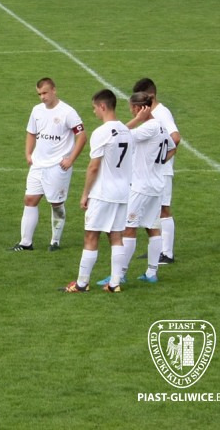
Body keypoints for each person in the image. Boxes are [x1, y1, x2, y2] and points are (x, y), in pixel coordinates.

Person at [96, 92, 176, 286]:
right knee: (152, 228)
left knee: (128, 229)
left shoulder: (147, 128)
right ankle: (151, 273)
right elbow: (173, 147)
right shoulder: (160, 126)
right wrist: (157, 163)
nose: (131, 111)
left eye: (132, 108)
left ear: (139, 108)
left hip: (141, 187)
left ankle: (120, 275)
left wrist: (137, 120)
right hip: (157, 185)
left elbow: (119, 135)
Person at [61, 89, 132, 293]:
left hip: (103, 193)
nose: (94, 112)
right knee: (116, 237)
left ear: (102, 106)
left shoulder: (101, 132)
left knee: (91, 236)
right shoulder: (127, 131)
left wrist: (85, 194)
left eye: (94, 108)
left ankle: (82, 284)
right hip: (122, 192)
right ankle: (115, 284)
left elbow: (93, 167)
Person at [13, 78, 87, 252]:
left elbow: (82, 136)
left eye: (45, 93)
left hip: (58, 166)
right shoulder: (37, 110)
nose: (42, 97)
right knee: (30, 199)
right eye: (39, 94)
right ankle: (25, 243)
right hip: (38, 164)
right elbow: (31, 132)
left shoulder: (68, 112)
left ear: (54, 90)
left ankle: (55, 241)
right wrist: (28, 153)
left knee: (56, 203)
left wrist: (71, 159)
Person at [132, 78, 181, 264]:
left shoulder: (161, 113)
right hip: (154, 172)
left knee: (164, 209)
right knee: (154, 212)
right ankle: (158, 249)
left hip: (161, 171)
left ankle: (167, 253)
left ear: (150, 96)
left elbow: (175, 138)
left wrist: (159, 159)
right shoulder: (152, 115)